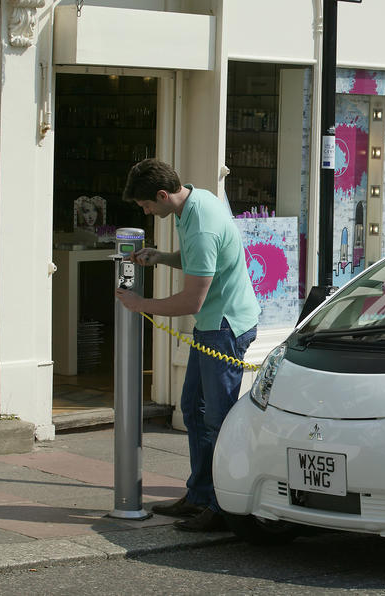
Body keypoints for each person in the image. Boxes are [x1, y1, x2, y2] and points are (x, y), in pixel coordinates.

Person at [116, 159, 260, 532]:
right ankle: (198, 495)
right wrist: (162, 258)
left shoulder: (200, 225)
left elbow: (192, 301)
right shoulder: (195, 202)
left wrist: (140, 305)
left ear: (162, 195)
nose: (146, 211)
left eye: (147, 205)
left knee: (217, 419)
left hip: (224, 327)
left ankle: (220, 506)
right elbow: (202, 263)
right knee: (193, 410)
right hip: (213, 324)